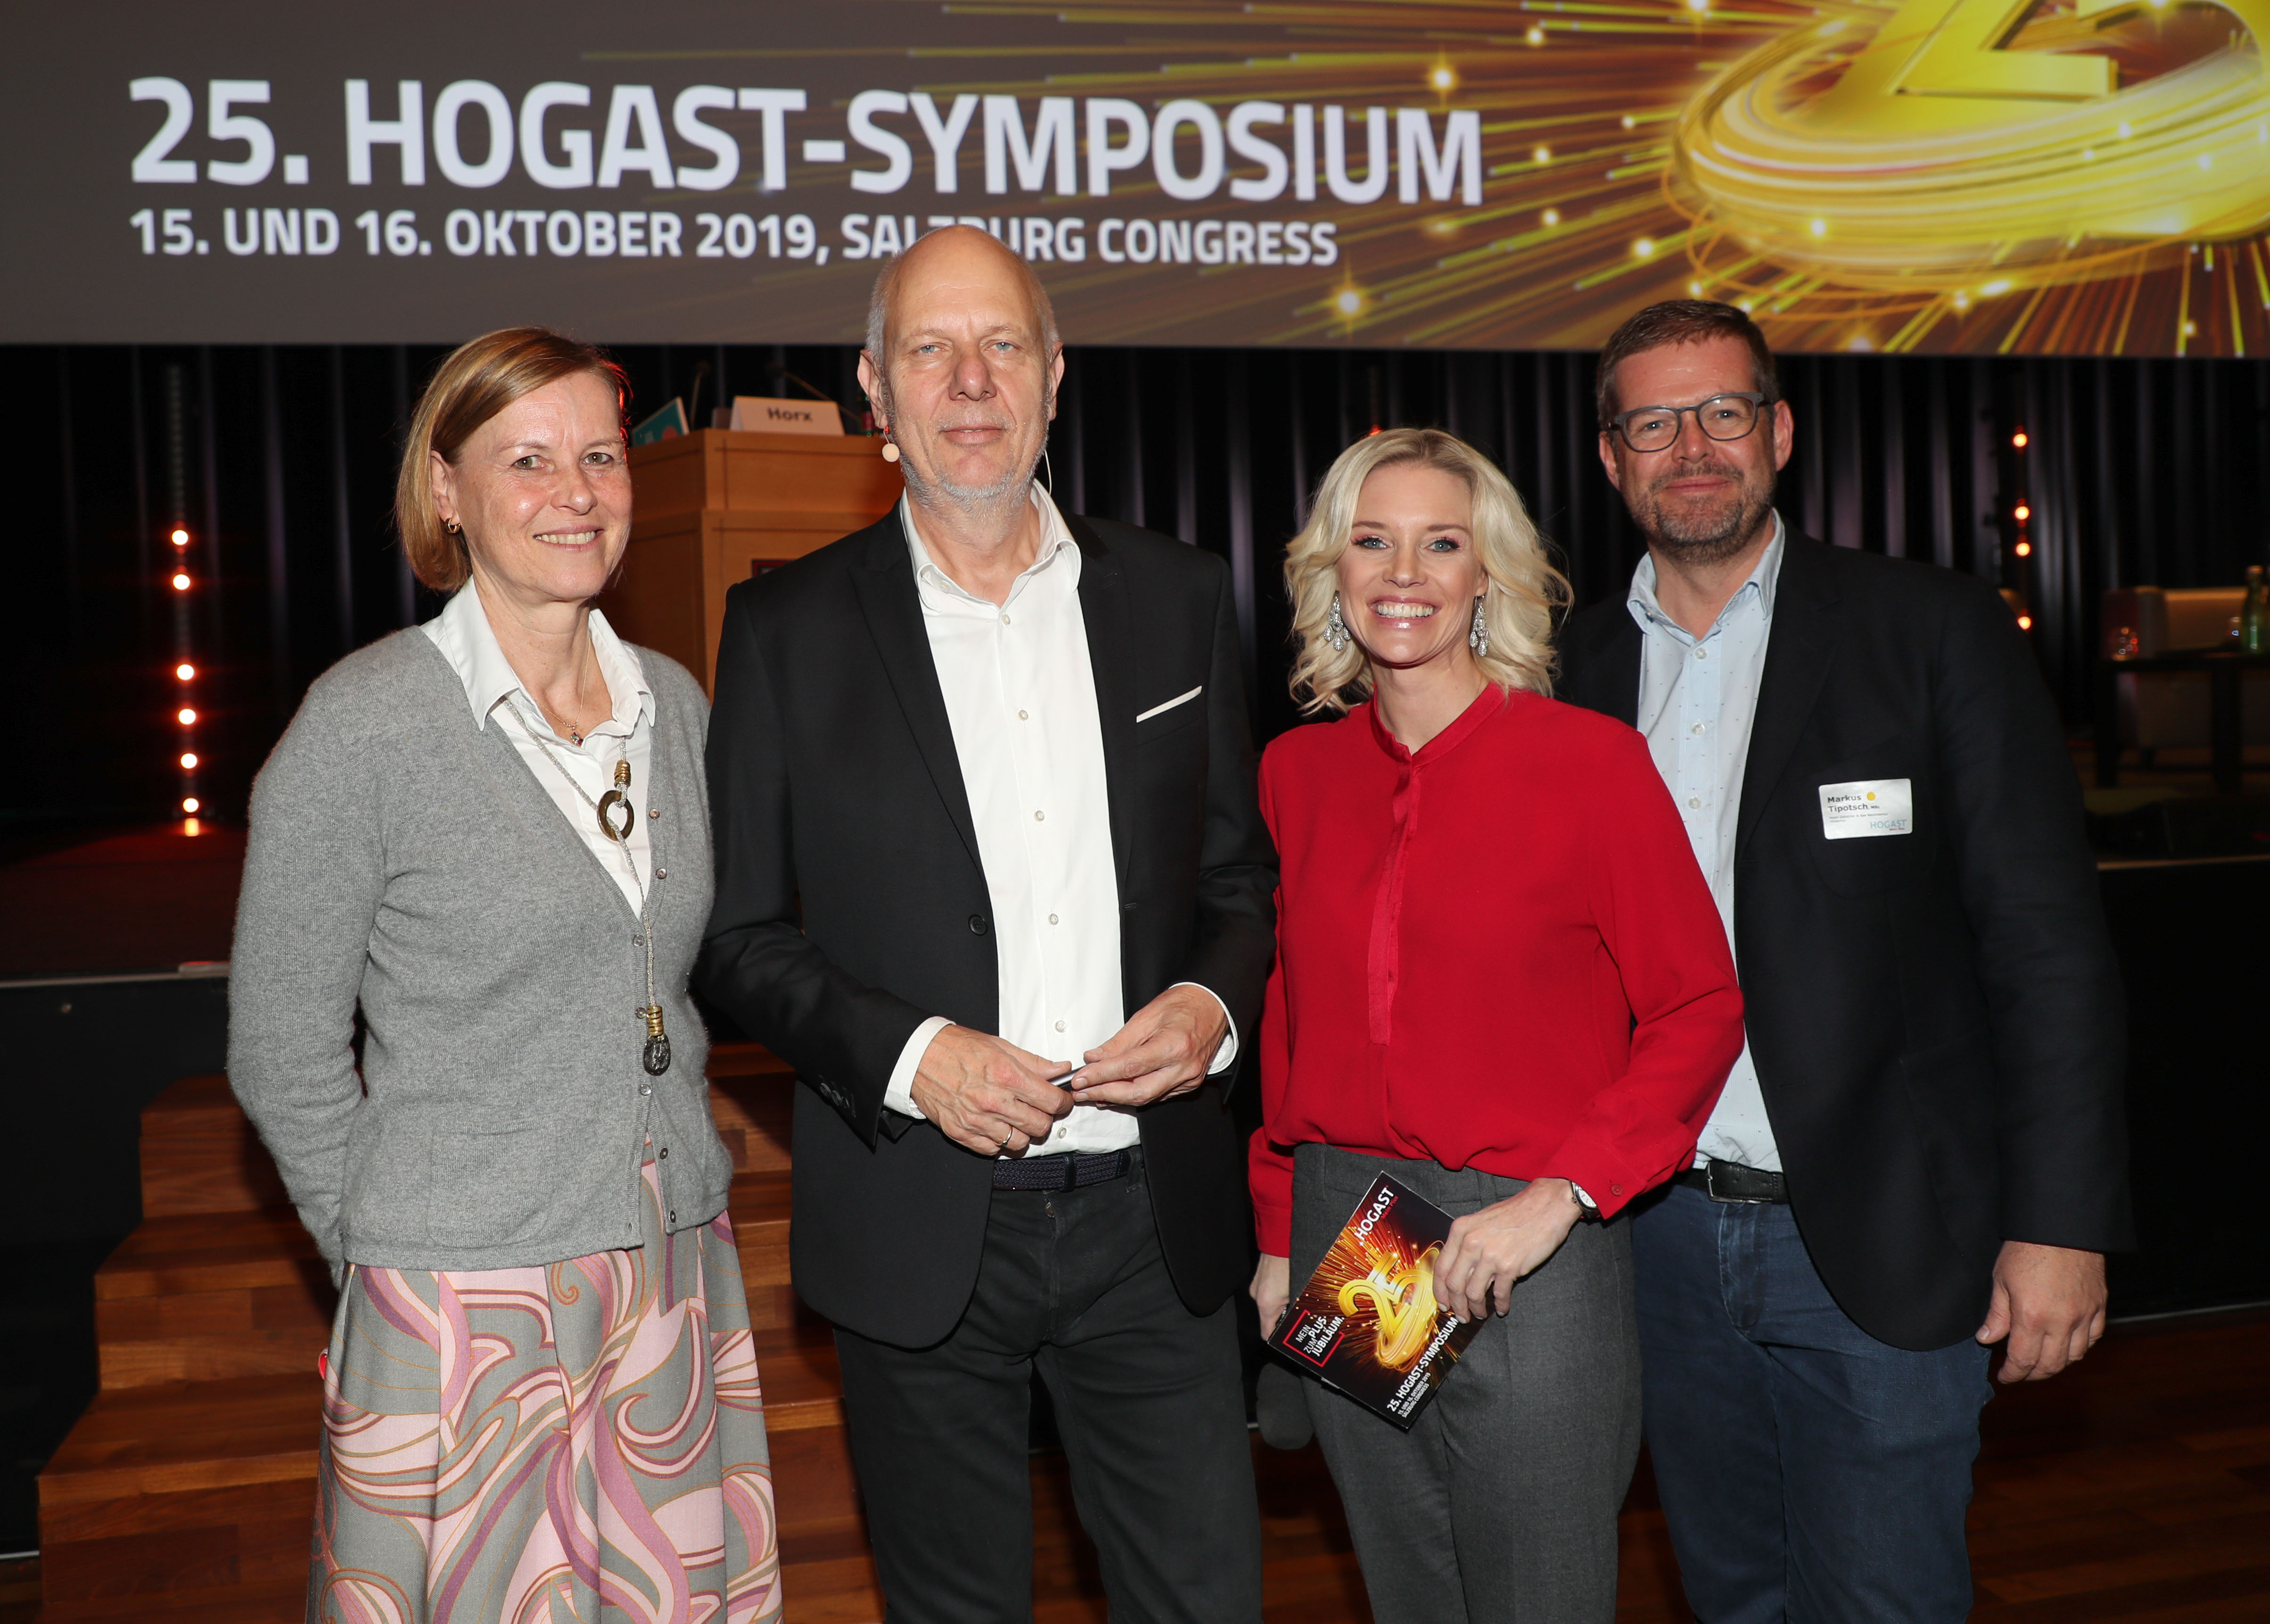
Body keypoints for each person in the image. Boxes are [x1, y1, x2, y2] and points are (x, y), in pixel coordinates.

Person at [697, 225, 1277, 1624]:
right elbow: (737, 937)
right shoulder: (784, 628)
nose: (970, 381)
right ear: (874, 388)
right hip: (919, 1222)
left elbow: (1238, 880)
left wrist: (1211, 1007)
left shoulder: (1181, 594)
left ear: (1055, 373)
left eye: (1002, 344)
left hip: (1152, 1222)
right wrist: (916, 1059)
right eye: (930, 349)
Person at [1557, 299, 2132, 1623]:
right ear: (1610, 458)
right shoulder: (1568, 668)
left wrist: (2061, 1221)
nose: (1691, 447)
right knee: (1734, 1596)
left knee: (1883, 1602)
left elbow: (2046, 946)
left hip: (1884, 1233)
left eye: (1722, 411)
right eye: (1653, 422)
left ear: (1780, 432)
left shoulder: (1927, 628)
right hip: (1653, 1241)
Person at [229, 328, 777, 1624]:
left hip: (669, 1267)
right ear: (446, 489)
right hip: (460, 1301)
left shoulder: (675, 706)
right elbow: (279, 1047)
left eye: (600, 457)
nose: (575, 492)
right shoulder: (362, 724)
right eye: (527, 460)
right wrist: (389, 1258)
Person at [1246, 427, 1747, 1624]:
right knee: (1409, 1590)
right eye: (1371, 541)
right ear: (1330, 569)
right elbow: (1289, 1014)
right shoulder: (1296, 774)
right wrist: (1275, 1235)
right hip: (1354, 1232)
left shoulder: (1591, 764)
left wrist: (1560, 1194)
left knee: (1540, 1597)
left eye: (1440, 544)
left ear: (1486, 576)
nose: (1401, 573)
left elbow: (1697, 1006)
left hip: (1527, 1237)